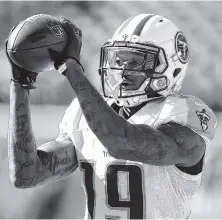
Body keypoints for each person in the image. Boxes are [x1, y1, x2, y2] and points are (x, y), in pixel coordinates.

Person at [7, 14, 217, 219]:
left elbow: (123, 142)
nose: (123, 71)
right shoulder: (89, 113)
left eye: (135, 63)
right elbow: (27, 174)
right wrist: (20, 85)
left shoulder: (183, 116)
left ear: (170, 67)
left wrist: (71, 68)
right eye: (118, 60)